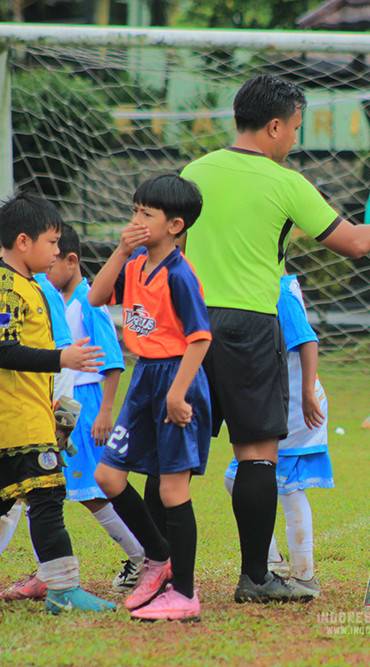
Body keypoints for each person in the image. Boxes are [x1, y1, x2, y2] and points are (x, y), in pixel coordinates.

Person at [180, 73, 370, 603]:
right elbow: (359, 244)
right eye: (295, 129)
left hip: (189, 324)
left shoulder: (193, 171)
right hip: (251, 324)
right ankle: (256, 577)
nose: (295, 140)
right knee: (257, 454)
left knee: (173, 458)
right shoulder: (286, 182)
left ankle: (158, 570)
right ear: (274, 126)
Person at [0, 191, 114, 615]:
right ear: (22, 242)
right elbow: (3, 351)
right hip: (15, 418)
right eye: (52, 242)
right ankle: (63, 590)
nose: (57, 250)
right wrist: (62, 358)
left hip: (16, 415)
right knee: (48, 497)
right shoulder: (6, 291)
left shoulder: (26, 285)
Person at [90, 173, 212, 622]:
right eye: (134, 211)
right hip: (145, 378)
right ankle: (158, 559)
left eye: (146, 214)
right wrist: (121, 250)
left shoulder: (180, 274)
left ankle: (185, 593)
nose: (135, 221)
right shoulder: (137, 263)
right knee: (107, 476)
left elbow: (200, 338)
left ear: (175, 225)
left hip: (175, 378)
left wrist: (179, 394)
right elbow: (97, 296)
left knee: (172, 487)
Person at [46, 223, 146, 592]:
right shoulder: (60, 300)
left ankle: (143, 557)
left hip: (86, 405)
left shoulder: (90, 301)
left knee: (92, 493)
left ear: (71, 261)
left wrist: (106, 411)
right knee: (48, 486)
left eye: (51, 264)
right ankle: (46, 569)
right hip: (66, 404)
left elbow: (114, 360)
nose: (46, 272)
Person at [224, 274, 332, 600]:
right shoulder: (260, 284)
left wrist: (307, 390)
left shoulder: (280, 290)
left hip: (296, 404)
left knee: (286, 485)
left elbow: (308, 341)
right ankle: (270, 561)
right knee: (237, 478)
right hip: (274, 399)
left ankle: (305, 576)